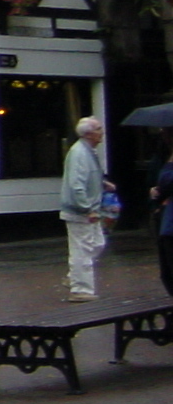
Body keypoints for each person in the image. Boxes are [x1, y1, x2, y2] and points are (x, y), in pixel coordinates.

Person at [59, 116, 109, 301]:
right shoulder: (80, 153)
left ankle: (74, 278)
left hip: (88, 209)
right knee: (82, 249)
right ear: (89, 133)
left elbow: (85, 178)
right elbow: (76, 184)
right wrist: (87, 208)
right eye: (98, 128)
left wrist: (102, 184)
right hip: (80, 212)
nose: (101, 132)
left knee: (97, 244)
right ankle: (81, 290)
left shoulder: (88, 152)